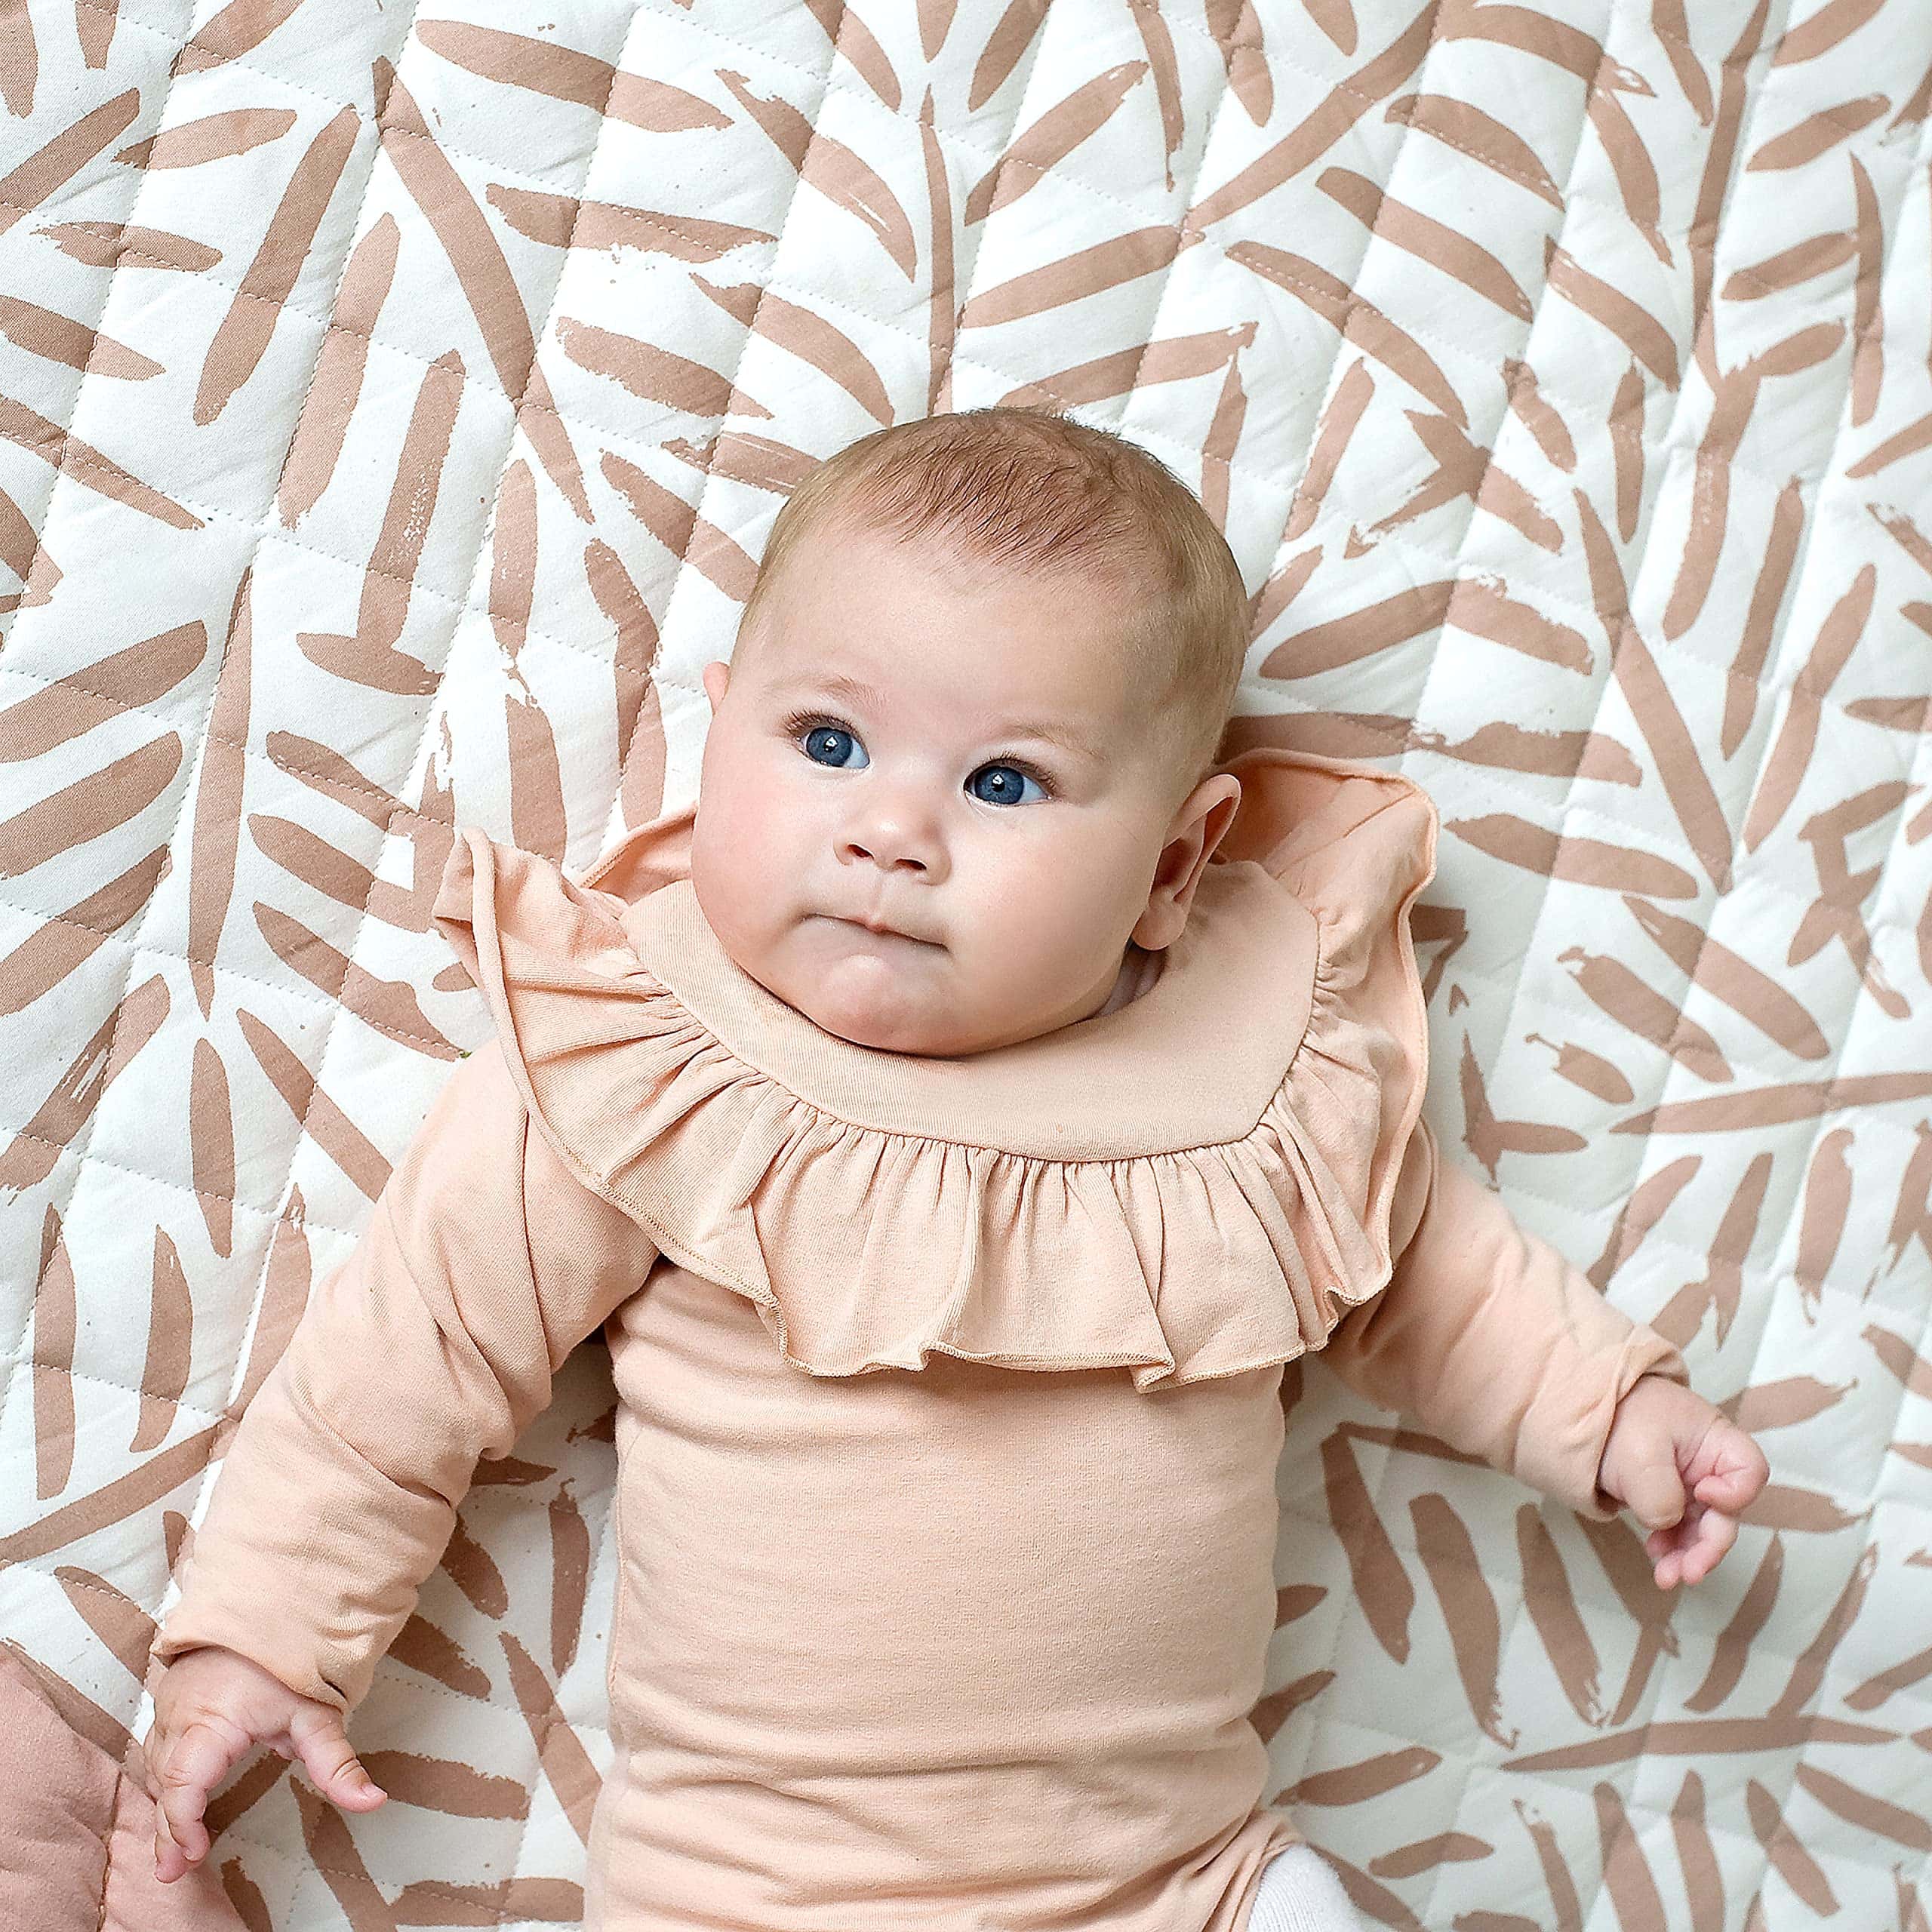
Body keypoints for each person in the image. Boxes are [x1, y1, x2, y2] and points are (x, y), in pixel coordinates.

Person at [141, 407, 1769, 1930]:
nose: (891, 831)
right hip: (756, 1886)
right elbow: (408, 1353)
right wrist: (265, 1635)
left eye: (1004, 782)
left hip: (1184, 1876)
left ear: (1175, 862)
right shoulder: (656, 1056)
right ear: (720, 730)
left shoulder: (1260, 1076)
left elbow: (1425, 1271)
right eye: (827, 739)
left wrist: (1610, 1409)